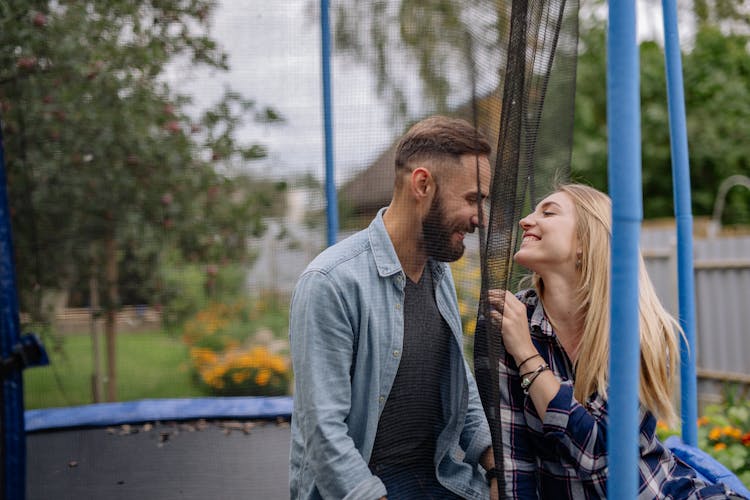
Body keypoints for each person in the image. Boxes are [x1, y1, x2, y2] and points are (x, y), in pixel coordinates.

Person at [488, 183, 746, 499]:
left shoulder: (635, 327)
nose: (525, 221)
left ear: (584, 241)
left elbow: (602, 455)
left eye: (548, 212)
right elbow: (515, 462)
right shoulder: (515, 320)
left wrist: (527, 355)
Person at [289, 115, 497, 500]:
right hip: (366, 486)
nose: (480, 219)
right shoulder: (331, 283)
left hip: (438, 476)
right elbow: (323, 432)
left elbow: (458, 381)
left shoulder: (438, 272)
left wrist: (495, 467)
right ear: (422, 184)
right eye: (472, 199)